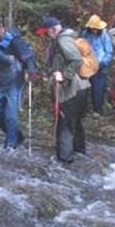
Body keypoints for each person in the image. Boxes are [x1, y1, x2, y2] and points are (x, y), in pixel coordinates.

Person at [40, 15, 90, 164]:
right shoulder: (72, 37)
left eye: (47, 32)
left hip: (71, 90)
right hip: (84, 87)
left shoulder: (63, 40)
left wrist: (64, 76)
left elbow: (76, 59)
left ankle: (65, 160)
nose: (47, 35)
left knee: (65, 124)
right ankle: (80, 152)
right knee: (77, 122)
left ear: (53, 29)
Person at [0, 15, 37, 150]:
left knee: (10, 116)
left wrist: (31, 71)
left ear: (1, 27)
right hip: (2, 82)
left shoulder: (14, 41)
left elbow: (28, 56)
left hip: (16, 82)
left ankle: (10, 146)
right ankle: (18, 137)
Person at [81, 14, 114, 114]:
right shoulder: (85, 34)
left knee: (98, 89)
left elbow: (109, 52)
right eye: (92, 28)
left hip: (100, 67)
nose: (94, 31)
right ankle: (84, 109)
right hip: (87, 65)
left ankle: (98, 109)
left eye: (96, 29)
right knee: (84, 88)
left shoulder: (104, 36)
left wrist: (102, 63)